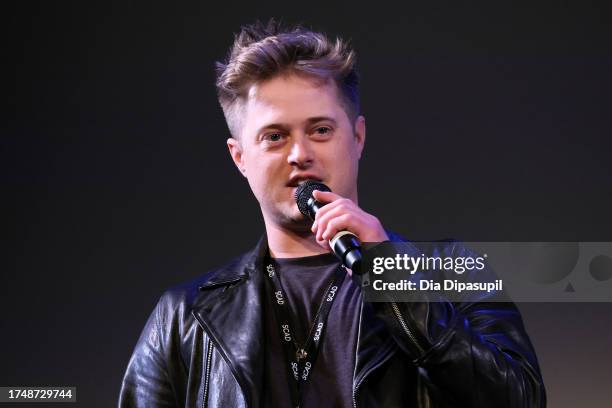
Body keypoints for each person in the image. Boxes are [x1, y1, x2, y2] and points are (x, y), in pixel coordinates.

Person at [119, 20, 546, 407]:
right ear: (240, 158)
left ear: (357, 138)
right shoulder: (184, 316)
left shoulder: (448, 272)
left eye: (321, 130)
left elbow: (520, 401)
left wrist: (393, 275)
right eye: (274, 136)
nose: (300, 154)